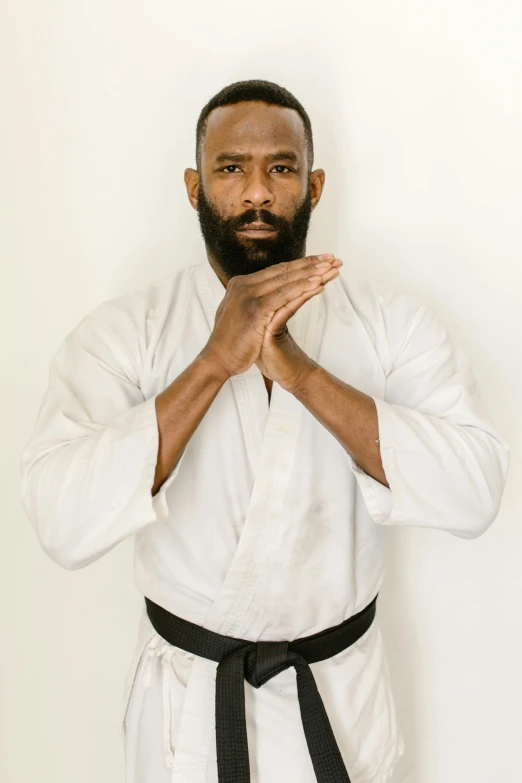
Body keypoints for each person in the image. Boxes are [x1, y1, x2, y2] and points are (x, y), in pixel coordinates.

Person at [20, 79, 510, 783]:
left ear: (312, 185)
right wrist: (217, 361)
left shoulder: (390, 323)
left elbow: (476, 490)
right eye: (231, 169)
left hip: (339, 701)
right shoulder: (129, 331)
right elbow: (61, 520)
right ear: (194, 186)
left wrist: (303, 374)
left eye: (280, 168)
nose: (256, 194)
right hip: (186, 715)